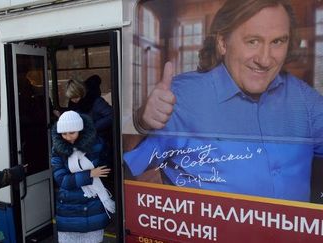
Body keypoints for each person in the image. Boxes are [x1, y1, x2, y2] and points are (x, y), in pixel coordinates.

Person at [124, 0, 323, 202]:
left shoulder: (305, 99)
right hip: (209, 232)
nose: (265, 60)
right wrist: (141, 120)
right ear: (222, 43)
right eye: (253, 41)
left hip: (295, 233)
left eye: (277, 42)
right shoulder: (182, 96)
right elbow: (129, 165)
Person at [51, 111, 115, 243]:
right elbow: (62, 180)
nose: (68, 137)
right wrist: (90, 174)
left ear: (81, 129)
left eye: (72, 132)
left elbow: (107, 167)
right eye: (64, 134)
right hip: (69, 207)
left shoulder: (97, 145)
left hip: (92, 205)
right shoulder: (58, 149)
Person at [66, 76, 113, 144]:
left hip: (99, 138)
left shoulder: (96, 101)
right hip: (83, 139)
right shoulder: (73, 105)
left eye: (76, 97)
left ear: (81, 93)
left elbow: (111, 115)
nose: (73, 100)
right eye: (71, 98)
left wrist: (92, 127)